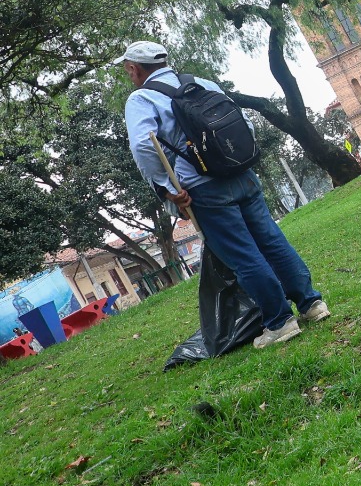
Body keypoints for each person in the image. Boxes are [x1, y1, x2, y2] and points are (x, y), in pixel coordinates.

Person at [117, 41, 328, 348]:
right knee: (271, 240)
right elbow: (240, 123)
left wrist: (166, 188)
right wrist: (241, 161)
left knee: (243, 255)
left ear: (134, 69)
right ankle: (311, 304)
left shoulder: (142, 99)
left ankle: (280, 322)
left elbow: (143, 145)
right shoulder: (200, 82)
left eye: (128, 71)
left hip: (203, 188)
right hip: (242, 174)